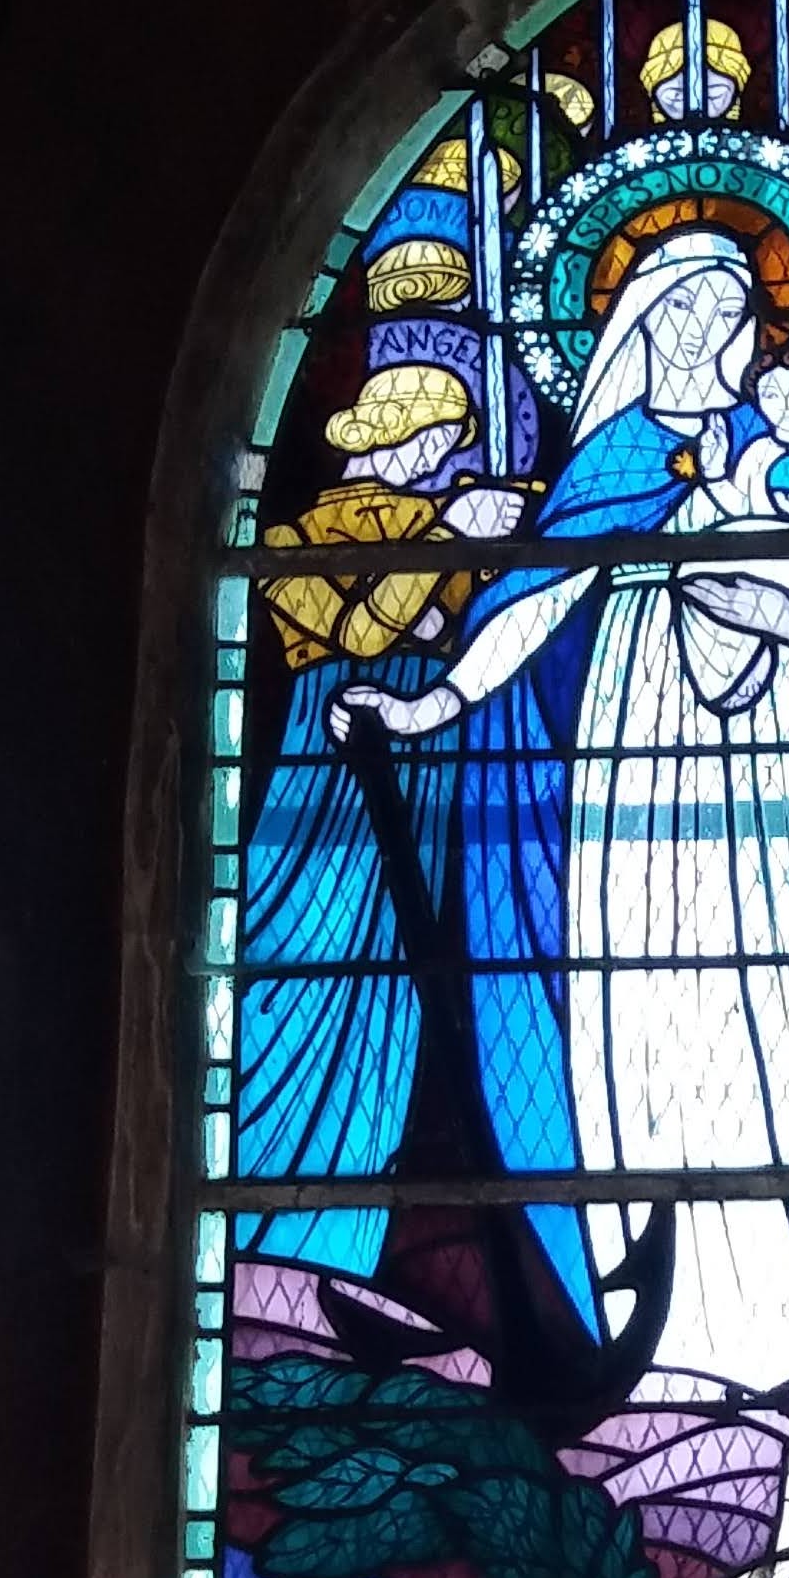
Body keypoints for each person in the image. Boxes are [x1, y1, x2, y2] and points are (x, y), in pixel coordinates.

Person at [334, 235, 789, 1392]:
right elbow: (526, 605)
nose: (709, 333)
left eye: (731, 312)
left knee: (770, 1012)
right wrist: (426, 708)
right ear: (641, 322)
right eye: (685, 309)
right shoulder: (609, 461)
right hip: (632, 746)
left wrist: (788, 616)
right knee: (641, 1006)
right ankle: (664, 1356)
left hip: (756, 761)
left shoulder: (784, 454)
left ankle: (784, 1336)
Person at [234, 357, 529, 1271]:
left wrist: (471, 550)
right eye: (429, 440)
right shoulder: (290, 543)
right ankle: (264, 1239)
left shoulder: (434, 525)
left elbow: (446, 635)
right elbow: (360, 633)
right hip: (326, 782)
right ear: (383, 439)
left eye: (446, 444)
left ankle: (336, 1252)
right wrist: (446, 537)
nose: (439, 459)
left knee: (391, 996)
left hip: (416, 767)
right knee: (301, 971)